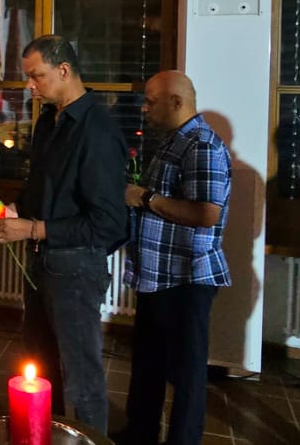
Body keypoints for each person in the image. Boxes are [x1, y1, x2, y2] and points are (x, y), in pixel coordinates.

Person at [0, 35, 126, 434]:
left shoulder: (97, 130)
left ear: (64, 70)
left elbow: (108, 223)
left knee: (80, 378)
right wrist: (17, 210)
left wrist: (33, 228)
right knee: (40, 366)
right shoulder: (49, 120)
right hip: (42, 261)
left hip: (76, 268)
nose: (29, 86)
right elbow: (43, 188)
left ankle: (86, 438)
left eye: (37, 76)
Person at [117, 71, 231, 445]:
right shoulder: (174, 141)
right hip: (158, 274)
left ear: (177, 102)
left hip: (186, 277)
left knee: (186, 372)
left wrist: (145, 198)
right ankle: (140, 433)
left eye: (151, 101)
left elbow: (206, 213)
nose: (145, 108)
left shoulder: (202, 145)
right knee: (148, 361)